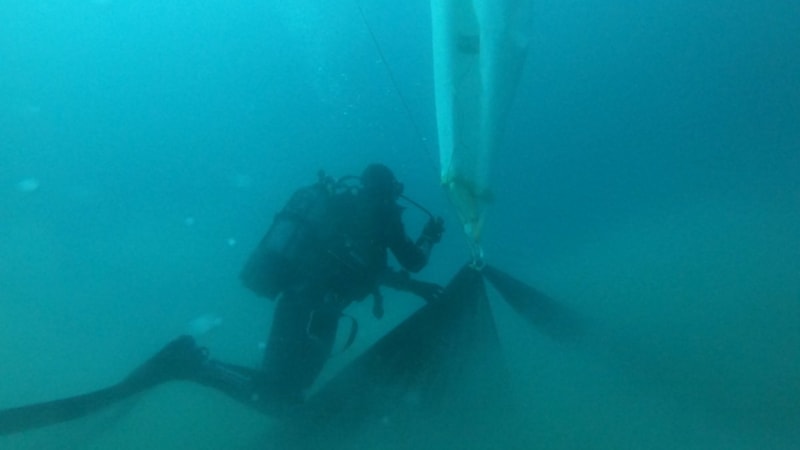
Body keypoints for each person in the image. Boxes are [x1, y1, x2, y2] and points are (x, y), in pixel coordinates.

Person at [133, 163, 446, 412]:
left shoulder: (339, 206)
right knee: (284, 395)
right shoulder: (382, 214)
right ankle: (191, 364)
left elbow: (365, 268)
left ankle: (193, 364)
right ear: (389, 189)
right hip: (321, 312)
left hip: (295, 299)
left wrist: (413, 286)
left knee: (276, 388)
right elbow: (410, 262)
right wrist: (430, 237)